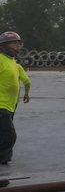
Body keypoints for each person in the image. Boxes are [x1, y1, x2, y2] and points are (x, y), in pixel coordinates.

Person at [0, 31, 31, 165]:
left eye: (19, 44)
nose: (18, 47)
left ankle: (4, 161)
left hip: (11, 105)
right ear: (4, 46)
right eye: (14, 44)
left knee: (3, 134)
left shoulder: (15, 64)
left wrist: (26, 93)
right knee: (9, 136)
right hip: (1, 106)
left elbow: (27, 81)